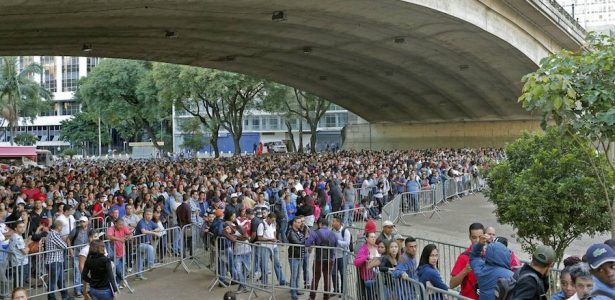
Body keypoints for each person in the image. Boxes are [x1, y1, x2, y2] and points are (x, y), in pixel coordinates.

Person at [469, 233, 513, 300]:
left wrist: (479, 244)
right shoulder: (512, 276)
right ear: (506, 255)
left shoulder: (481, 270)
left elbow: (474, 257)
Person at [305, 218, 337, 300]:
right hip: (330, 259)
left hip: (318, 259)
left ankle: (312, 297)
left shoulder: (315, 233)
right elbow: (336, 245)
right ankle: (326, 297)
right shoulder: (333, 234)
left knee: (315, 278)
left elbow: (307, 243)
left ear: (320, 224)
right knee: (327, 278)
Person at [450, 222, 484, 299]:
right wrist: (465, 271)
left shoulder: (490, 255)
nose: (477, 240)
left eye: (480, 237)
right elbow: (452, 284)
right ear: (470, 237)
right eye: (474, 237)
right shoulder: (464, 257)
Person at [354, 231, 381, 300]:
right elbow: (356, 262)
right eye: (371, 237)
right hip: (369, 277)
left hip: (379, 276)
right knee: (370, 296)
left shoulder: (377, 247)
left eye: (374, 237)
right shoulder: (364, 249)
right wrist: (366, 257)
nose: (373, 239)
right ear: (367, 239)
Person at [46, 220, 69, 300]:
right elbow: (64, 246)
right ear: (59, 226)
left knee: (60, 281)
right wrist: (64, 240)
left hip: (57, 261)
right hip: (54, 262)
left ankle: (65, 296)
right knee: (53, 283)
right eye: (62, 226)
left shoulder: (53, 234)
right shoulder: (54, 235)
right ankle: (51, 298)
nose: (62, 228)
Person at [331, 215, 351, 296]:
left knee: (343, 274)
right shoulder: (332, 230)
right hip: (334, 256)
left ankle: (343, 291)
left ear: (338, 222)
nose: (332, 223)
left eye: (334, 221)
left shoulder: (345, 231)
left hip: (343, 256)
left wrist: (337, 241)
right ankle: (336, 290)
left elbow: (347, 243)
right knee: (333, 273)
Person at [288, 215, 307, 300]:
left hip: (300, 256)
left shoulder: (299, 231)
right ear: (294, 223)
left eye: (301, 222)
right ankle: (293, 293)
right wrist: (305, 239)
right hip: (294, 256)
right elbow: (298, 243)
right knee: (294, 275)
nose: (300, 224)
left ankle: (296, 289)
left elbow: (302, 240)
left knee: (298, 275)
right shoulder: (291, 232)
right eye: (298, 222)